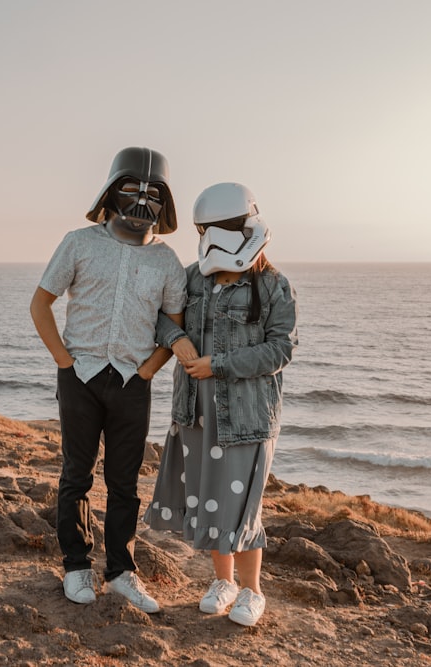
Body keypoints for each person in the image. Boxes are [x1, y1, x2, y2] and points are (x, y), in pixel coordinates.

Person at [30, 146, 187, 614]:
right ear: (111, 190)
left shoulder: (168, 263)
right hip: (79, 376)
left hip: (132, 384)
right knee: (76, 475)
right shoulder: (78, 243)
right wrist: (64, 363)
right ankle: (76, 564)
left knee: (125, 484)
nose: (141, 200)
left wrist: (146, 373)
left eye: (152, 192)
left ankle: (121, 572)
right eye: (131, 188)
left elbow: (173, 326)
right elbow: (41, 304)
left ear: (165, 199)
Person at [144, 182, 297, 626]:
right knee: (209, 498)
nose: (210, 235)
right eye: (205, 228)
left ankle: (252, 592)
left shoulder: (272, 286)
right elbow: (160, 315)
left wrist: (220, 365)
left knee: (242, 504)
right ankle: (223, 582)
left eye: (219, 227)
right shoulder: (192, 278)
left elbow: (280, 350)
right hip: (195, 410)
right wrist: (177, 340)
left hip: (246, 416)